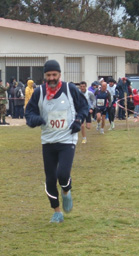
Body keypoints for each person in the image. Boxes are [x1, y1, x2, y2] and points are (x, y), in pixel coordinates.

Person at [25, 60, 88, 223]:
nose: (51, 78)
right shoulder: (39, 93)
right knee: (50, 179)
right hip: (48, 141)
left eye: (54, 74)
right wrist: (36, 119)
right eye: (48, 75)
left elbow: (84, 107)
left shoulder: (70, 89)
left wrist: (78, 121)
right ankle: (57, 212)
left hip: (67, 138)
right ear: (44, 76)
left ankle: (66, 191)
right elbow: (29, 114)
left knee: (63, 174)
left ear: (60, 75)